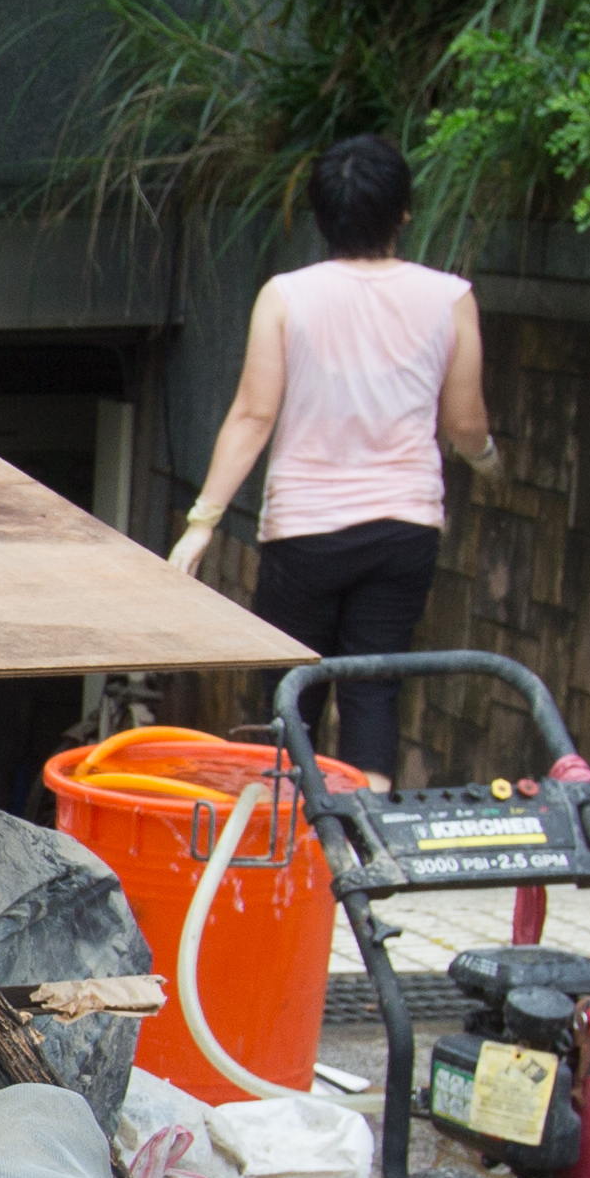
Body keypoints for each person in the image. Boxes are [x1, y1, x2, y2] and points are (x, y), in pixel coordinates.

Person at [170, 129, 492, 768]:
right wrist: (487, 460)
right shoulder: (450, 298)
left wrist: (201, 523)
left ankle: (288, 848)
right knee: (373, 691)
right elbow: (464, 422)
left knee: (290, 695)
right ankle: (363, 854)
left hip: (305, 534)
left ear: (320, 217)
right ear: (403, 211)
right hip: (405, 528)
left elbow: (254, 415)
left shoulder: (287, 297)